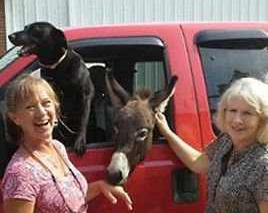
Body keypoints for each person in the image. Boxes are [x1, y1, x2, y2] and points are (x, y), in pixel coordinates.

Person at [1, 74, 133, 213]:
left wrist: (100, 186)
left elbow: (67, 202)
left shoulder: (57, 147)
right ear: (15, 118)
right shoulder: (20, 174)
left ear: (55, 107)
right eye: (30, 107)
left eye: (46, 103)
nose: (41, 113)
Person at [155, 77, 268, 213]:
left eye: (247, 113)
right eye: (232, 111)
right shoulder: (226, 141)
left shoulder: (264, 165)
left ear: (262, 120)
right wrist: (167, 132)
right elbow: (197, 163)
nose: (237, 120)